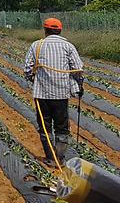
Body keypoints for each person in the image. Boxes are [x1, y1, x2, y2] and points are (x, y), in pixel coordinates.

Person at [23, 18, 84, 166]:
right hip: (61, 94)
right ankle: (60, 158)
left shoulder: (37, 45)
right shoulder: (68, 46)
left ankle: (50, 157)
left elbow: (28, 69)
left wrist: (34, 80)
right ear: (60, 30)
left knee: (45, 126)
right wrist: (78, 85)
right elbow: (78, 69)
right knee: (61, 127)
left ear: (45, 30)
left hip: (41, 94)